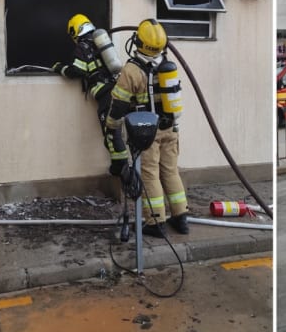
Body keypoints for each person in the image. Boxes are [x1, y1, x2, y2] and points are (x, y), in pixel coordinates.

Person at [105, 19, 189, 238]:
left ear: (139, 42)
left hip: (147, 132)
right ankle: (181, 218)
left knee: (150, 175)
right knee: (170, 171)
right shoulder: (166, 65)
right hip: (171, 128)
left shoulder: (132, 70)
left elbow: (119, 104)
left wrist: (111, 126)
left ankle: (156, 222)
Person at [53, 14, 128, 175]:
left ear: (75, 31)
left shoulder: (82, 47)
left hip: (105, 95)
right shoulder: (99, 43)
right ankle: (124, 166)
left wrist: (59, 68)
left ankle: (120, 167)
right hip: (118, 91)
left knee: (111, 132)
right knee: (116, 130)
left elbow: (76, 70)